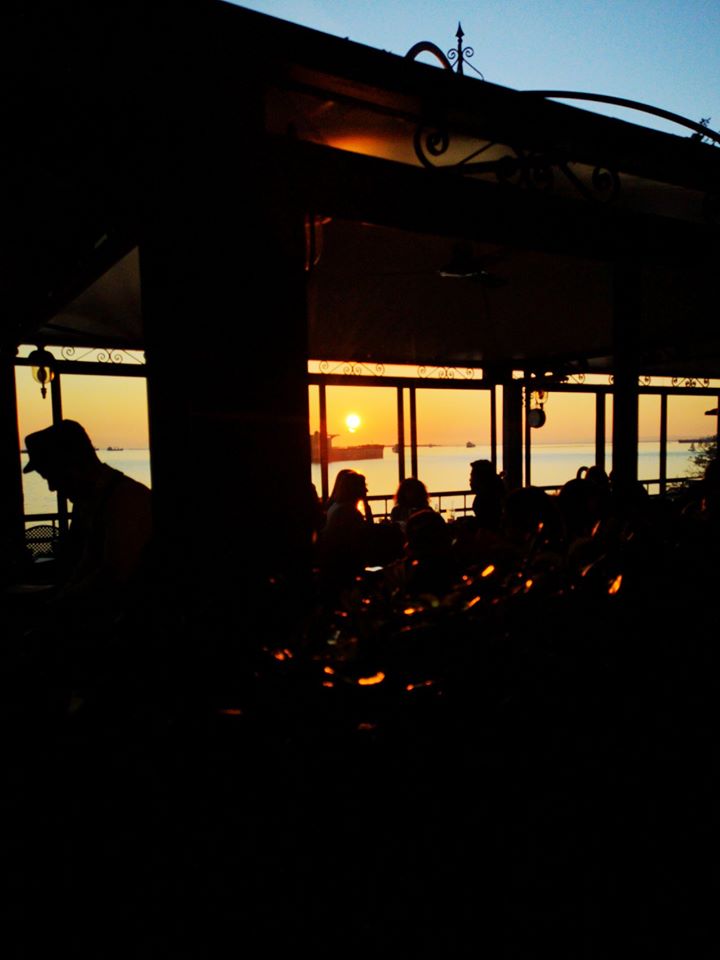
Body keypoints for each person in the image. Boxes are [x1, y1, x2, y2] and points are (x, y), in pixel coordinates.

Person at [18, 420, 153, 618]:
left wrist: (59, 603)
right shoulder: (98, 502)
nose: (52, 487)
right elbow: (88, 564)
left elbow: (112, 576)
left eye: (52, 477)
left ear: (71, 466)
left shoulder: (125, 501)